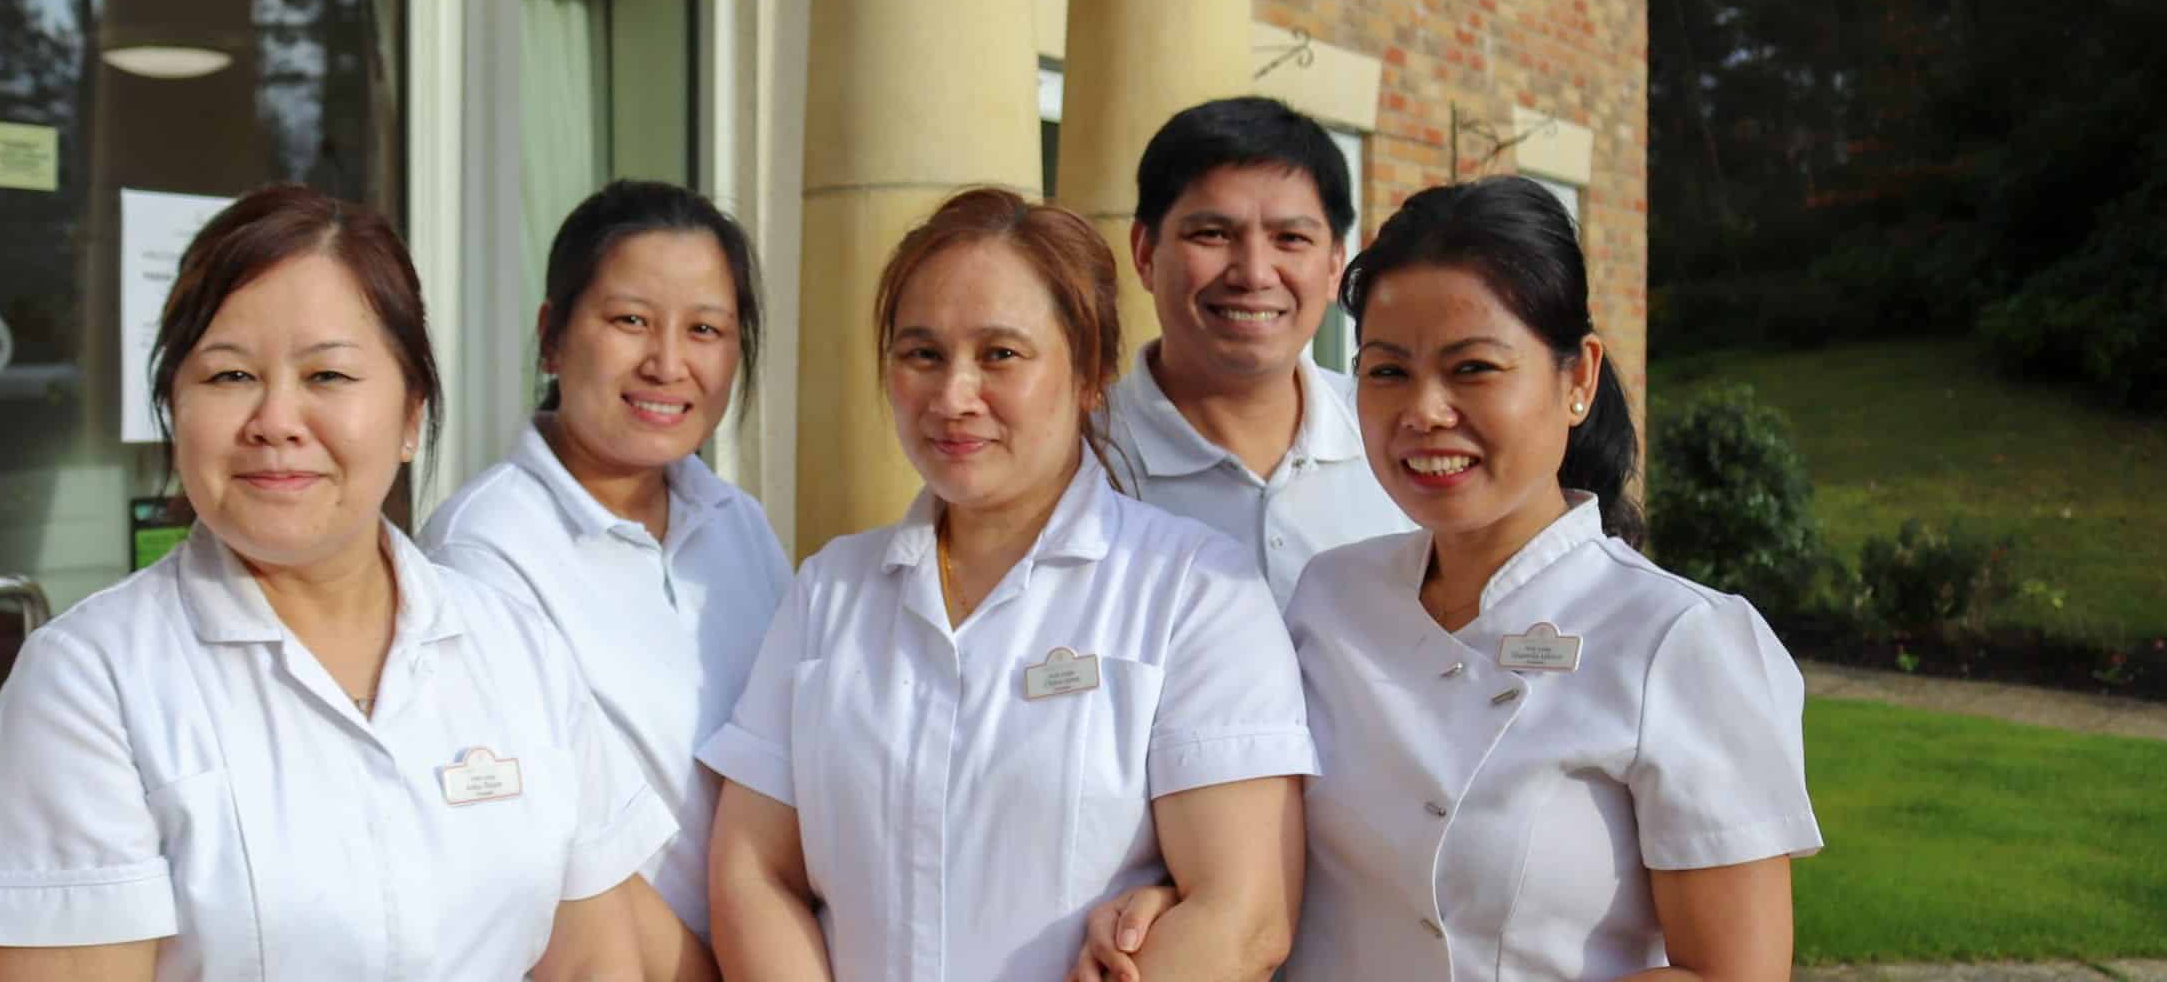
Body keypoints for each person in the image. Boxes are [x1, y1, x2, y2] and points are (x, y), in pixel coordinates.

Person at [1077, 176, 1823, 982]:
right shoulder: (1328, 599)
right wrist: (1176, 900)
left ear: (1578, 379)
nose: (1424, 412)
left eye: (1473, 368)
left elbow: (1732, 974)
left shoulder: (1681, 640)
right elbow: (1267, 854)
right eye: (1387, 372)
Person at [0, 185, 674, 981]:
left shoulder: (516, 646)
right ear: (174, 408)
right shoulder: (88, 683)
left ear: (411, 417)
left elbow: (594, 959)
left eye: (327, 375)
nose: (276, 421)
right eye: (229, 376)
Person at [701, 189, 1311, 981]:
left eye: (1000, 355)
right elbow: (753, 871)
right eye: (922, 354)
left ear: (1090, 374)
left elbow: (1243, 917)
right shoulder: (831, 592)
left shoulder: (1193, 591)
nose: (954, 397)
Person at [419, 180, 790, 981]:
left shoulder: (739, 526)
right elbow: (552, 851)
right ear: (552, 338)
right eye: (630, 321)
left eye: (705, 330)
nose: (667, 364)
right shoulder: (483, 553)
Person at [1109, 96, 1410, 608]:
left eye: (1290, 238)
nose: (1253, 273)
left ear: (1335, 264)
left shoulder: (1400, 438)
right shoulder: (1078, 463)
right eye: (1212, 234)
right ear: (1144, 253)